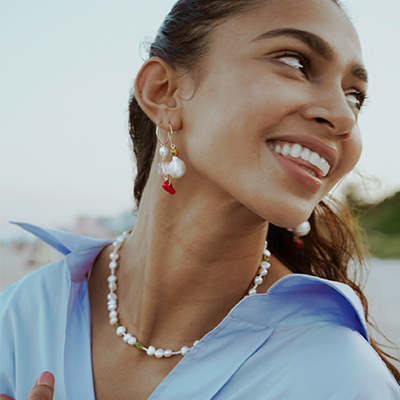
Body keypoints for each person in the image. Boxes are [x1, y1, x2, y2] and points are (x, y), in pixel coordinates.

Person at [1, 0, 400, 399]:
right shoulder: (21, 316)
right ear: (164, 92)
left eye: (355, 96)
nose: (344, 117)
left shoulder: (337, 378)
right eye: (295, 62)